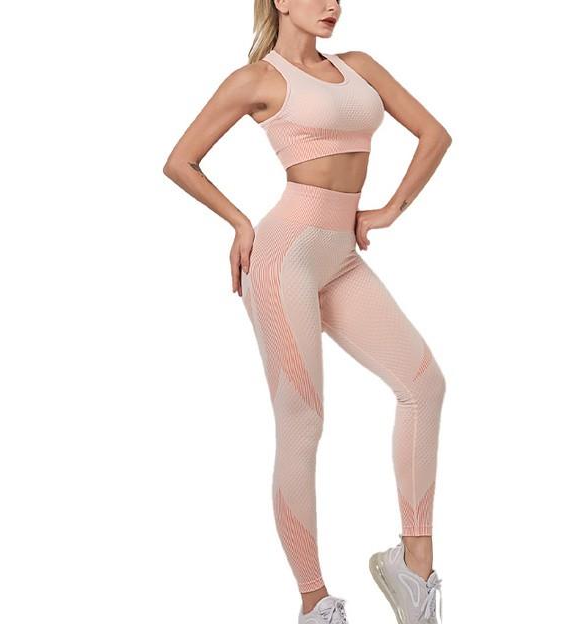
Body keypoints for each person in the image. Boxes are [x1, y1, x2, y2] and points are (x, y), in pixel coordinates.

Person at [163, 1, 452, 622]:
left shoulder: (359, 66)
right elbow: (180, 161)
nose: (332, 4)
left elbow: (435, 135)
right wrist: (239, 222)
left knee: (424, 385)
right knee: (304, 422)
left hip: (340, 256)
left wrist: (390, 210)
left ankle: (413, 567)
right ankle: (315, 603)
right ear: (280, 1)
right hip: (282, 259)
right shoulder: (258, 80)